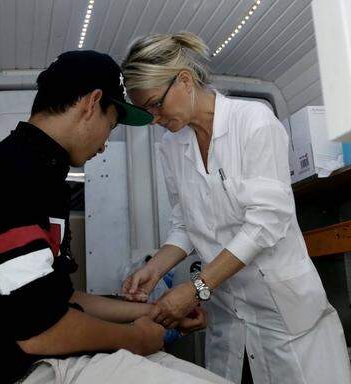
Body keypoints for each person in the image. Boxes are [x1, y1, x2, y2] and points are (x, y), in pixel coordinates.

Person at [0, 50, 229, 384]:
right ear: (92, 103)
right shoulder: (7, 174)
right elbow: (38, 329)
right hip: (20, 370)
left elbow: (62, 299)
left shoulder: (42, 175)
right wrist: (135, 338)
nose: (105, 145)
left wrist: (154, 313)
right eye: (112, 124)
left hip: (50, 355)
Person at [120, 32, 351, 384]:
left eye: (155, 104)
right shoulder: (170, 145)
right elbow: (185, 223)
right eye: (145, 110)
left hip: (283, 311)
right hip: (230, 313)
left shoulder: (252, 121)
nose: (153, 118)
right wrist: (155, 267)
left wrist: (197, 287)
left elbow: (266, 223)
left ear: (184, 80)